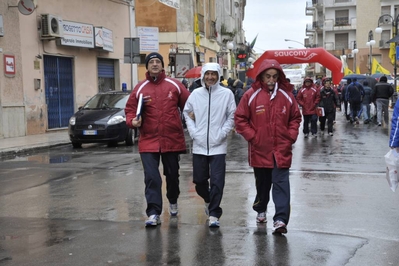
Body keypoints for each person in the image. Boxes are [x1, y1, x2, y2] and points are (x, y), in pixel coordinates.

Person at [234, 59, 302, 234]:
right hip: (260, 150)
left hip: (281, 150)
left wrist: (291, 136)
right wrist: (253, 137)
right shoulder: (251, 95)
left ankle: (280, 220)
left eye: (274, 76)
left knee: (281, 184)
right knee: (263, 185)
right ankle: (261, 208)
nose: (271, 80)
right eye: (268, 76)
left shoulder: (286, 96)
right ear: (262, 77)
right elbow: (240, 119)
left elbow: (295, 117)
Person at [125, 52, 190, 227]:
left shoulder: (174, 85)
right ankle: (153, 212)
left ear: (163, 66)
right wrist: (132, 121)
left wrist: (195, 125)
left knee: (172, 176)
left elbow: (190, 106)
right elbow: (130, 110)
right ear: (146, 67)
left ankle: (173, 200)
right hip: (148, 141)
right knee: (152, 178)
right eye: (151, 62)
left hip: (172, 140)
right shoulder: (140, 88)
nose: (154, 64)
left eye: (157, 62)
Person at [183, 63, 236, 227]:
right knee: (199, 182)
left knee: (217, 182)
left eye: (214, 74)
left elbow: (232, 115)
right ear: (203, 75)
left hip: (218, 146)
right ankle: (208, 200)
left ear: (218, 76)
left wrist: (222, 133)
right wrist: (194, 133)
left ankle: (214, 214)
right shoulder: (195, 94)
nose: (210, 77)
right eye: (207, 74)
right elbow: (186, 113)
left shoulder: (226, 94)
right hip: (199, 146)